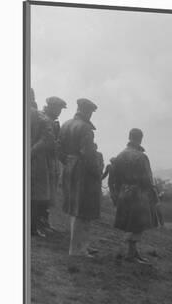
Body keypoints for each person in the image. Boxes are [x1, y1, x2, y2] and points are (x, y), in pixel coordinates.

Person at [58, 98, 102, 257]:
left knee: (74, 209)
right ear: (87, 112)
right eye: (90, 112)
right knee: (82, 210)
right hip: (83, 172)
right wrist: (97, 172)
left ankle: (82, 245)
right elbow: (88, 155)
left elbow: (59, 149)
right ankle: (78, 249)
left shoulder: (65, 124)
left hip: (69, 168)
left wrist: (68, 162)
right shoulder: (85, 129)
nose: (91, 115)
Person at [110, 128, 160, 263]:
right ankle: (131, 254)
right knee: (138, 224)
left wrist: (117, 194)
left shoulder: (120, 155)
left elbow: (114, 177)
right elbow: (147, 179)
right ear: (140, 139)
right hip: (139, 194)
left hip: (124, 192)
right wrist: (153, 194)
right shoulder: (141, 157)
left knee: (129, 224)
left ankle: (133, 252)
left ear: (129, 137)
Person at [30, 88, 57, 237]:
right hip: (35, 160)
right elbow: (48, 139)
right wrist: (32, 150)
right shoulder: (41, 117)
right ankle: (32, 228)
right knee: (35, 196)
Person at [39, 96, 67, 232]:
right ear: (50, 106)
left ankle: (44, 220)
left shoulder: (53, 122)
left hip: (52, 160)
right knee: (43, 190)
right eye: (57, 108)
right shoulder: (42, 119)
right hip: (43, 158)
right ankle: (39, 221)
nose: (59, 112)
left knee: (50, 191)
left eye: (60, 109)